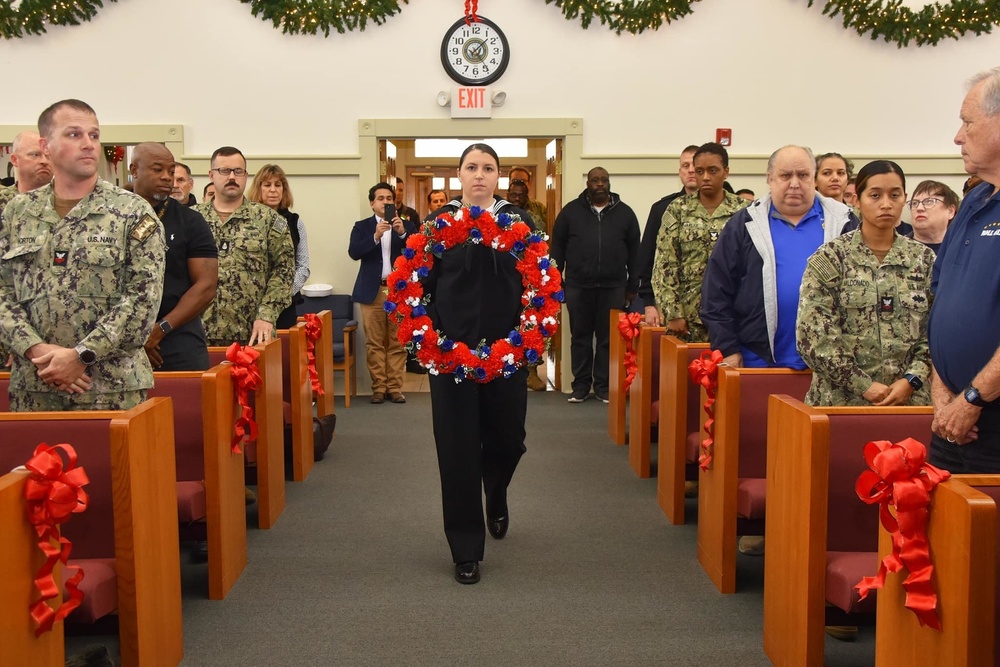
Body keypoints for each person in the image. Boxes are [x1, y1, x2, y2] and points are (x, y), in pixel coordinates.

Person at [0, 99, 165, 411]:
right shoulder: (17, 212)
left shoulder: (132, 212)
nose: (88, 144)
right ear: (45, 145)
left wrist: (81, 356)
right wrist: (37, 352)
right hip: (35, 388)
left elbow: (143, 300)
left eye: (94, 135)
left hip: (110, 390)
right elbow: (2, 293)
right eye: (74, 135)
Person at [421, 143, 536, 584]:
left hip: (506, 354)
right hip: (450, 357)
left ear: (498, 176)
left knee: (509, 439)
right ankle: (465, 549)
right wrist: (432, 339)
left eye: (488, 168)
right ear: (459, 174)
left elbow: (537, 284)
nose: (479, 175)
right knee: (457, 450)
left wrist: (526, 338)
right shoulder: (438, 223)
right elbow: (419, 284)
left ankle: (498, 487)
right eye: (472, 167)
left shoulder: (519, 222)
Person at [701, 145, 856, 370]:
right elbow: (715, 293)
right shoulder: (744, 225)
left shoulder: (844, 223)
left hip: (831, 367)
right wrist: (728, 348)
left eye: (802, 175)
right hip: (757, 361)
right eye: (785, 176)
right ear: (770, 179)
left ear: (813, 179)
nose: (794, 183)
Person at [797, 160, 934, 407]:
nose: (886, 204)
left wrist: (911, 379)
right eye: (875, 195)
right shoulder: (831, 258)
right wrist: (863, 385)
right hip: (841, 401)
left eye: (894, 195)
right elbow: (813, 336)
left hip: (910, 401)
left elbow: (937, 331)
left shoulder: (924, 260)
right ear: (857, 200)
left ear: (905, 199)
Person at [928, 66, 1000, 473]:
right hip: (952, 415)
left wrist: (973, 397)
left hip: (989, 419)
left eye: (968, 122)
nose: (958, 136)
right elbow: (943, 305)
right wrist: (943, 394)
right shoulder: (973, 202)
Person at [551, 166, 640, 403]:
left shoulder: (625, 214)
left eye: (604, 180)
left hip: (614, 287)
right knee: (580, 336)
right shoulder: (570, 212)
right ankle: (580, 386)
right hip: (578, 286)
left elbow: (635, 253)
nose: (600, 184)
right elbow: (557, 248)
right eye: (595, 180)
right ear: (587, 183)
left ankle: (602, 386)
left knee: (607, 338)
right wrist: (556, 281)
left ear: (609, 183)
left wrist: (632, 286)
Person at [129, 142, 218, 371]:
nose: (167, 177)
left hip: (178, 335)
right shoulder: (110, 217)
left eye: (171, 171)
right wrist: (137, 335)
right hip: (120, 338)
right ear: (134, 170)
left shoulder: (190, 221)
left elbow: (206, 286)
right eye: (158, 170)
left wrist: (160, 330)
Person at [194, 147, 294, 346]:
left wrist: (266, 315)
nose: (232, 177)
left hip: (253, 333)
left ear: (246, 176)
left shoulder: (268, 219)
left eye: (238, 171)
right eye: (224, 171)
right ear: (211, 175)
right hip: (198, 332)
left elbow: (284, 270)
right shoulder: (192, 219)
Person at [651, 142, 749, 343]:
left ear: (726, 172)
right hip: (686, 320)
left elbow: (752, 266)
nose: (705, 177)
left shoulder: (744, 211)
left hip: (731, 317)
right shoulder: (677, 209)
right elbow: (664, 265)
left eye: (713, 170)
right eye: (700, 171)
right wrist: (673, 313)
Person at [348, 182, 416, 404]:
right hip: (372, 291)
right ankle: (378, 387)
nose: (385, 202)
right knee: (374, 342)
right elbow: (354, 252)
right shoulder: (362, 227)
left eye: (389, 198)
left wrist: (403, 233)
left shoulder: (406, 226)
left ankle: (394, 387)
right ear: (372, 203)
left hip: (399, 291)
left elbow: (419, 251)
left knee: (398, 341)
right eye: (380, 198)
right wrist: (375, 237)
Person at [637, 145, 699, 326]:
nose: (691, 170)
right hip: (671, 306)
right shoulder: (662, 209)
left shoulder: (724, 210)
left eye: (695, 166)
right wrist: (649, 304)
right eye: (686, 166)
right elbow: (647, 258)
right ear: (679, 172)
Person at [248, 164, 310, 329]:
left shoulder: (295, 222)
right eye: (267, 185)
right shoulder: (247, 221)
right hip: (251, 305)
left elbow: (303, 266)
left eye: (278, 185)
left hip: (285, 305)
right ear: (259, 189)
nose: (273, 190)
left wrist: (281, 295)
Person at [507, 178, 547, 391]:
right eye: (513, 194)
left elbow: (542, 243)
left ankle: (531, 370)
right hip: (506, 277)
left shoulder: (536, 215)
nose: (516, 198)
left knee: (532, 322)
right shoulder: (499, 213)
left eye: (520, 195)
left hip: (530, 276)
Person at [907, 180, 959, 252]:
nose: (919, 208)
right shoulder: (896, 249)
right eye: (915, 203)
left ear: (950, 211)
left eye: (929, 201)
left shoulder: (962, 250)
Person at [508, 166, 548, 232]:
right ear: (509, 183)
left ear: (529, 184)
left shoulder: (539, 208)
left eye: (523, 181)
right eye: (515, 180)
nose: (519, 183)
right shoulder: (502, 206)